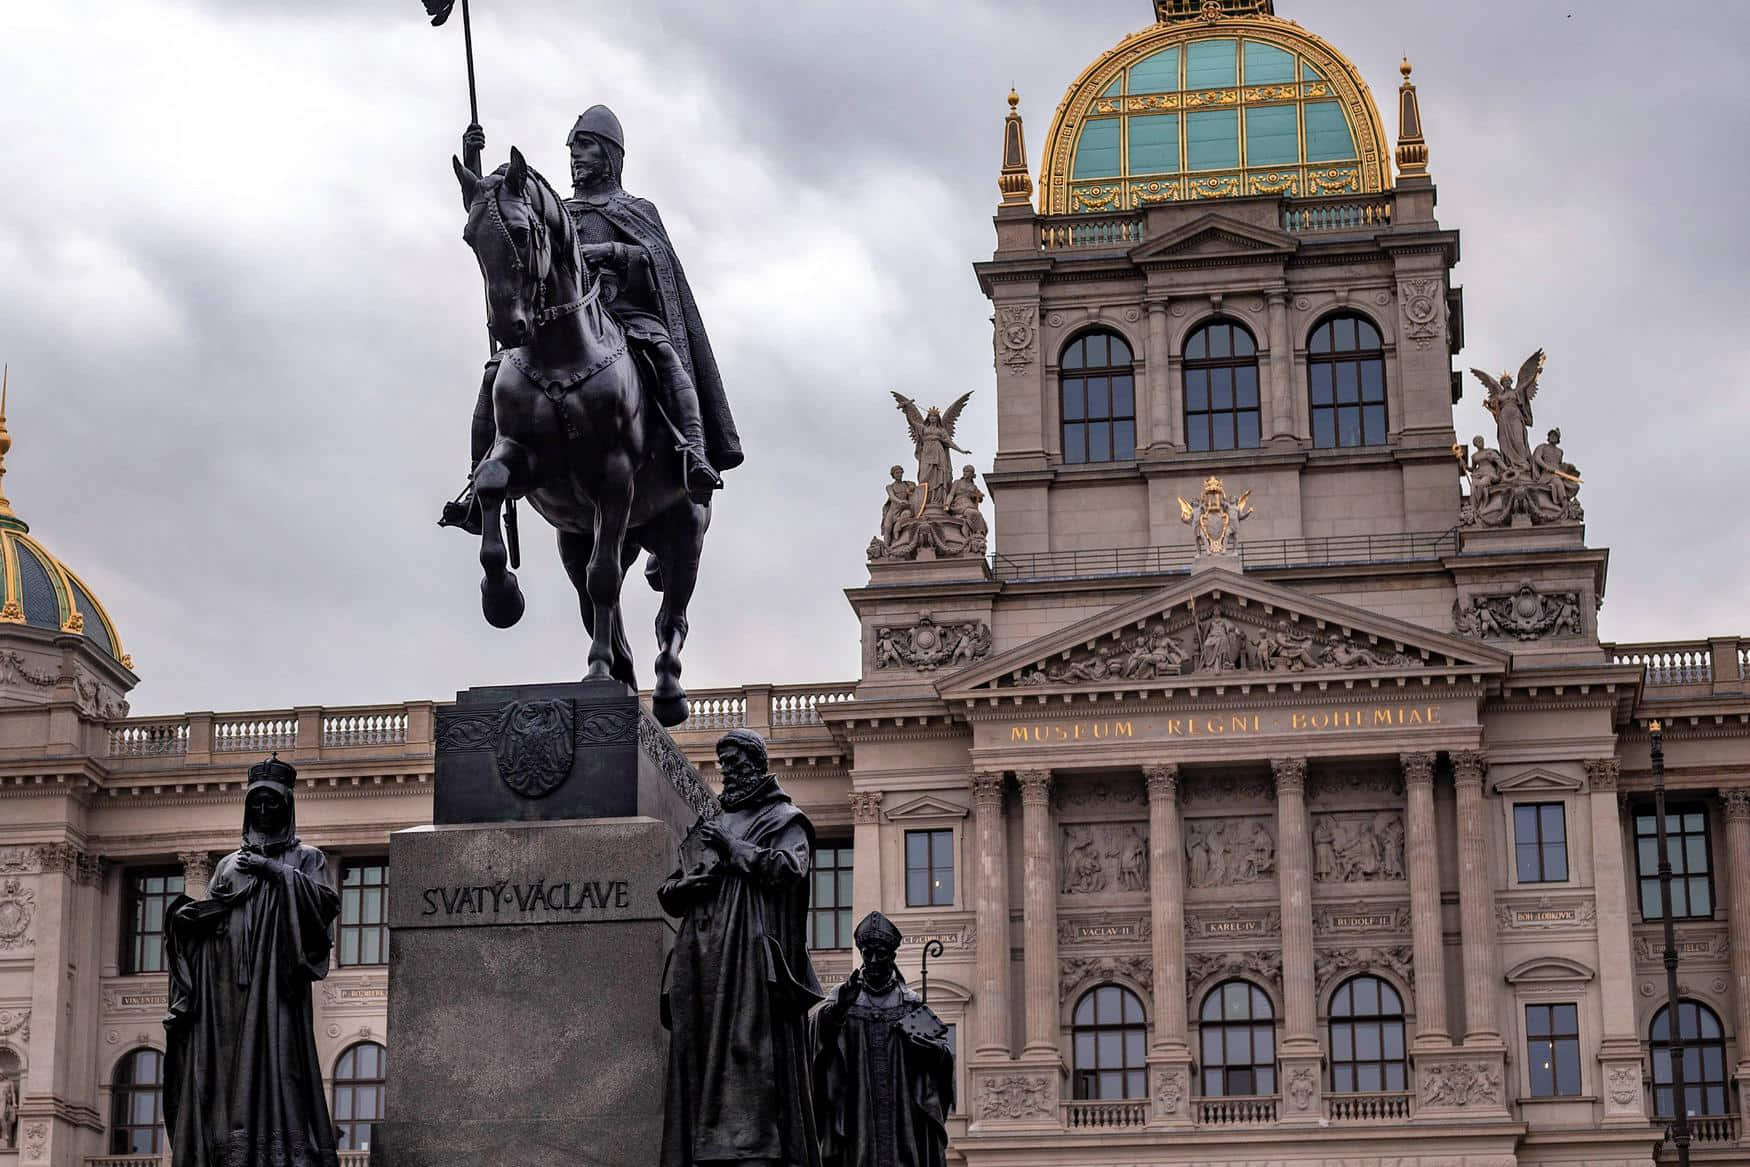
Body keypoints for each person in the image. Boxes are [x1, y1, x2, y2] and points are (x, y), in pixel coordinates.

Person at [442, 106, 741, 530]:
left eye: (584, 147)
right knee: (496, 371)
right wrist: (472, 163)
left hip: (626, 317)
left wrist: (615, 253)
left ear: (610, 155)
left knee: (663, 354)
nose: (575, 157)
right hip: (559, 322)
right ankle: (477, 483)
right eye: (572, 149)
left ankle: (693, 452)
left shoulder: (635, 208)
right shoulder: (557, 211)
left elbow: (656, 259)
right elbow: (497, 221)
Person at [162, 757, 340, 1167]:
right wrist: (189, 921)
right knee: (230, 1065)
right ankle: (232, 1146)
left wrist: (273, 870)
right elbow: (213, 918)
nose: (263, 811)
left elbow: (325, 904)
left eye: (272, 804)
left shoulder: (306, 858)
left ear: (287, 806)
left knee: (283, 1063)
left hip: (279, 984)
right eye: (256, 803)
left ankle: (285, 1147)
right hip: (231, 986)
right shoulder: (226, 865)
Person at [659, 730, 823, 1167]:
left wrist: (734, 849)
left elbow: (790, 867)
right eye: (722, 762)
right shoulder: (711, 821)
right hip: (702, 957)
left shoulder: (784, 819)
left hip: (746, 958)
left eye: (733, 761)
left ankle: (751, 1149)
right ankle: (698, 1146)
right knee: (699, 1055)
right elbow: (671, 890)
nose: (726, 770)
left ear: (755, 761)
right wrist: (686, 885)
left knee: (747, 1054)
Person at [812, 913, 953, 1167]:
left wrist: (937, 1054)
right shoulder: (843, 996)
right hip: (857, 1112)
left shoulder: (909, 1002)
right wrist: (838, 1010)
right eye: (868, 954)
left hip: (903, 1117)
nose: (874, 960)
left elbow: (942, 1056)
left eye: (881, 954)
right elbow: (815, 1041)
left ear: (892, 956)